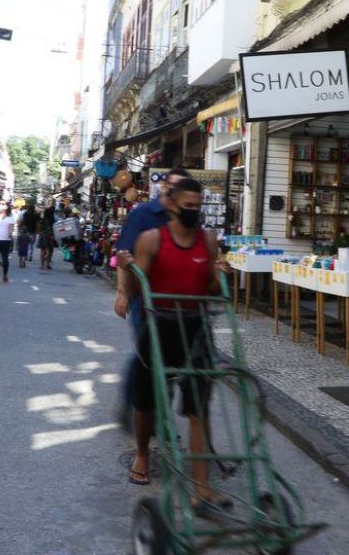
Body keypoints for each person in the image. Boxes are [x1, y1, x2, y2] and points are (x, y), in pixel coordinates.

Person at [124, 178, 230, 515]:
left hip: (196, 327)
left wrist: (220, 275)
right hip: (160, 325)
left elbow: (212, 288)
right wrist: (126, 280)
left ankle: (202, 485)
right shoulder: (152, 240)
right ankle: (142, 452)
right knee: (147, 399)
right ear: (171, 204)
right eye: (189, 206)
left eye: (199, 207)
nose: (194, 212)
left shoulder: (208, 242)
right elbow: (139, 285)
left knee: (199, 406)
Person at [112, 168, 190, 427]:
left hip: (175, 300)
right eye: (175, 186)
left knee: (169, 359)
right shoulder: (144, 214)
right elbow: (124, 254)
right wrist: (122, 292)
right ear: (166, 186)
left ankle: (153, 412)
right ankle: (134, 402)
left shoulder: (186, 216)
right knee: (148, 354)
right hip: (143, 299)